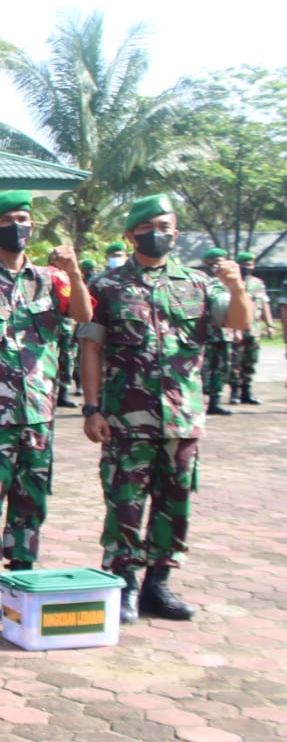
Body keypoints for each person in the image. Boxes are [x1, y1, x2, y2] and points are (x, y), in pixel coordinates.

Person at [79, 194, 250, 622]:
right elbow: (91, 349)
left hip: (181, 417)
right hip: (126, 417)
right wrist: (92, 407)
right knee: (124, 502)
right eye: (147, 228)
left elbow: (239, 321)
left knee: (175, 504)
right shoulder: (107, 286)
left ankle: (158, 584)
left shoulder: (199, 283)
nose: (157, 234)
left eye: (165, 227)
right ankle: (124, 584)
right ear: (130, 235)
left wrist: (236, 287)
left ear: (176, 232)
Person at [0, 192, 90, 627]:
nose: (18, 227)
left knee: (32, 499)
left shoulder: (51, 279)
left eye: (24, 219)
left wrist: (75, 272)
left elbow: (83, 315)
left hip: (39, 412)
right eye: (8, 220)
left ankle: (21, 580)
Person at [230, 251, 274, 404]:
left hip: (254, 329)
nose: (247, 267)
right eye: (244, 264)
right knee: (235, 361)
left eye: (250, 264)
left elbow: (264, 305)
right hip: (236, 328)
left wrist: (270, 325)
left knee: (251, 360)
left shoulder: (258, 283)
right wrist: (233, 330)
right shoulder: (232, 282)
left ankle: (247, 392)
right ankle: (235, 392)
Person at [198, 248, 234, 416]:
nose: (218, 264)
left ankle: (215, 402)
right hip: (207, 334)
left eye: (221, 260)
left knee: (222, 367)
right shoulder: (201, 281)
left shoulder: (230, 282)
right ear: (207, 263)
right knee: (203, 369)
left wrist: (236, 330)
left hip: (225, 334)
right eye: (214, 261)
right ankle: (199, 402)